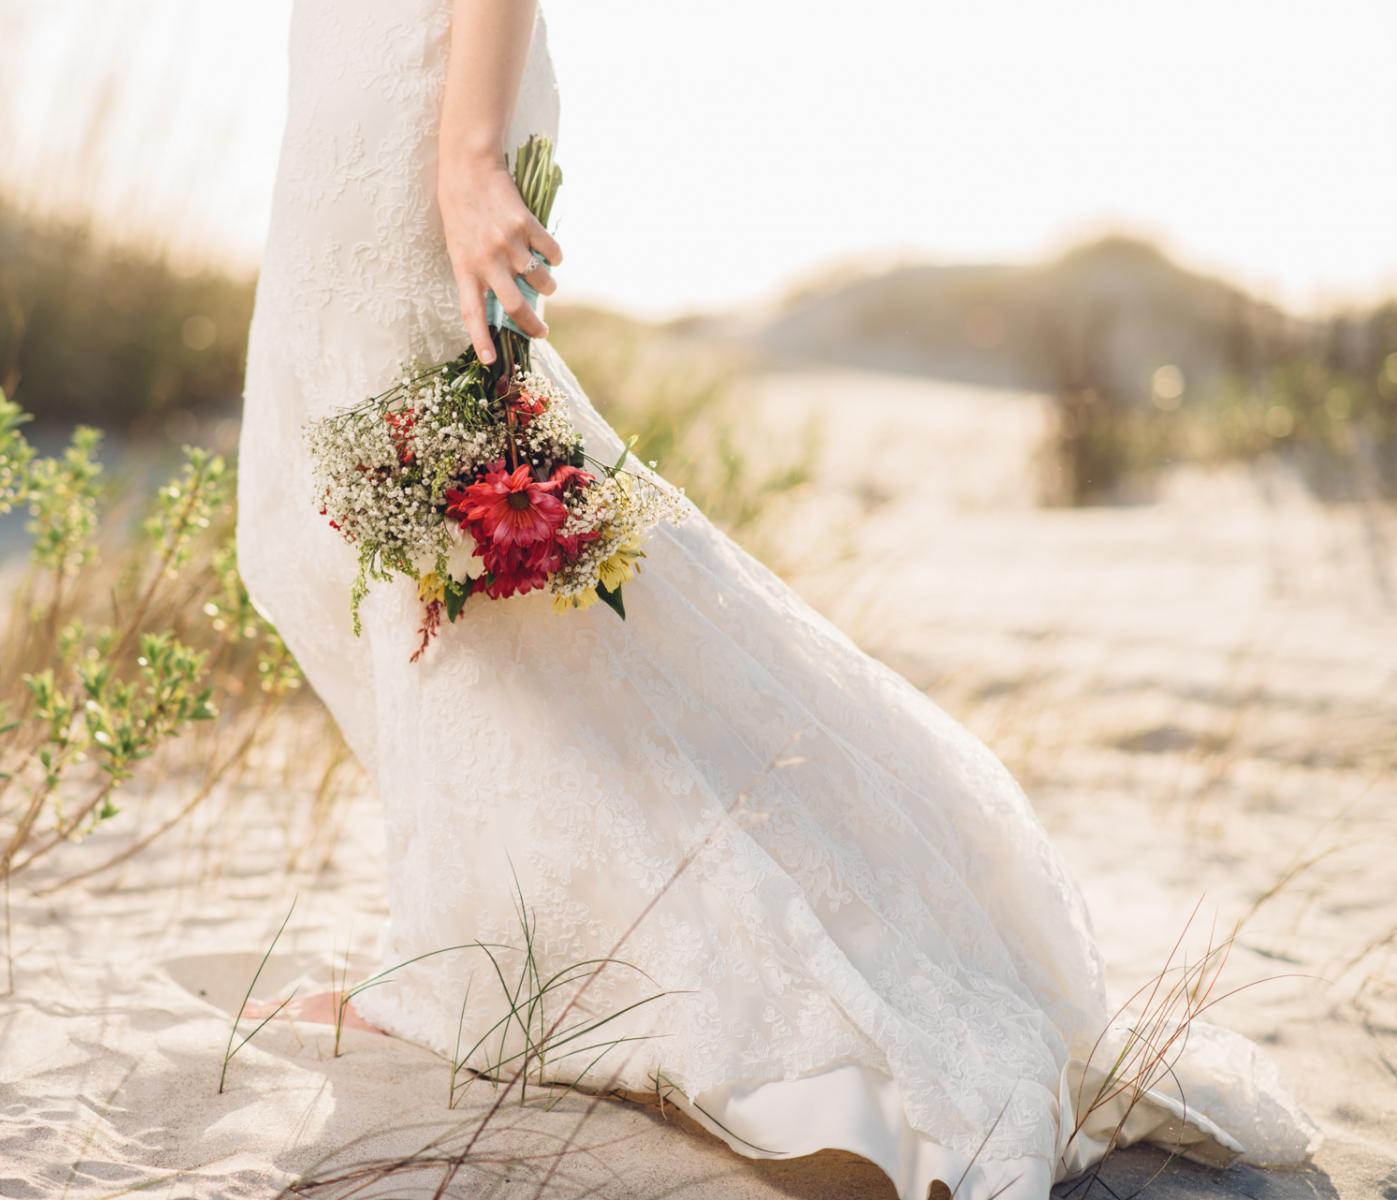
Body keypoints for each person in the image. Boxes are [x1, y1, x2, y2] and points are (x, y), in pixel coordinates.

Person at [234, 3, 1319, 1195]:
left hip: (422, 99)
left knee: (461, 516)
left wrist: (472, 153)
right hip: (338, 92)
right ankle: (464, 938)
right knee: (366, 520)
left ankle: (500, 959)